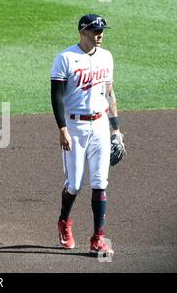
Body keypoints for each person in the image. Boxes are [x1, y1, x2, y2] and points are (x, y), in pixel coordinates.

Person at [50, 14, 122, 256]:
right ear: (83, 32)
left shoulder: (106, 57)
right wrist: (62, 130)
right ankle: (64, 221)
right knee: (74, 184)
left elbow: (109, 93)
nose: (99, 34)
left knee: (100, 182)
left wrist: (116, 130)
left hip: (100, 125)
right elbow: (57, 96)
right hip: (74, 127)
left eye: (101, 30)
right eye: (94, 30)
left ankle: (98, 238)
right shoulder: (65, 58)